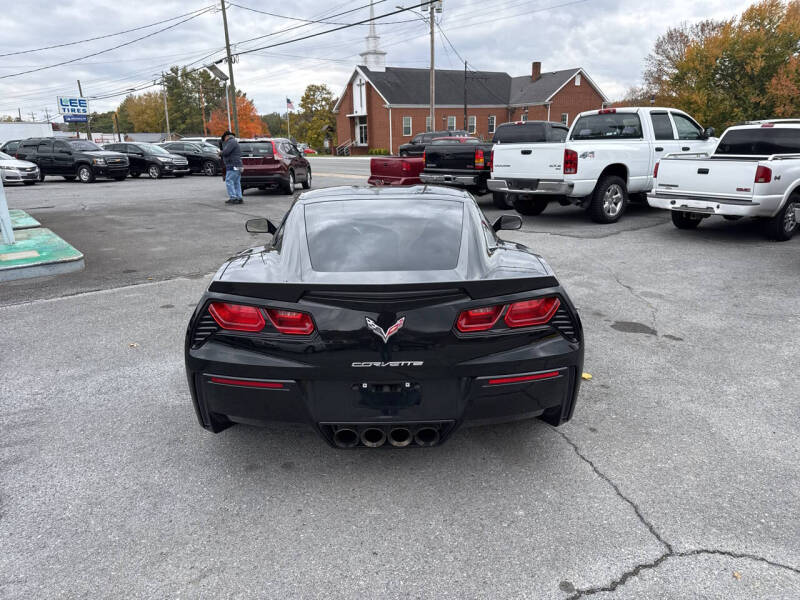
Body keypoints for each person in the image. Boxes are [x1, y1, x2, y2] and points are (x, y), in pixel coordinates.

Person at [220, 131, 243, 204]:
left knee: (229, 181)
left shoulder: (231, 142)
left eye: (224, 138)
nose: (225, 140)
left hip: (232, 164)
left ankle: (233, 197)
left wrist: (220, 153)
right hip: (238, 164)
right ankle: (239, 197)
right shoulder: (234, 141)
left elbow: (226, 152)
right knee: (236, 182)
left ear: (226, 136)